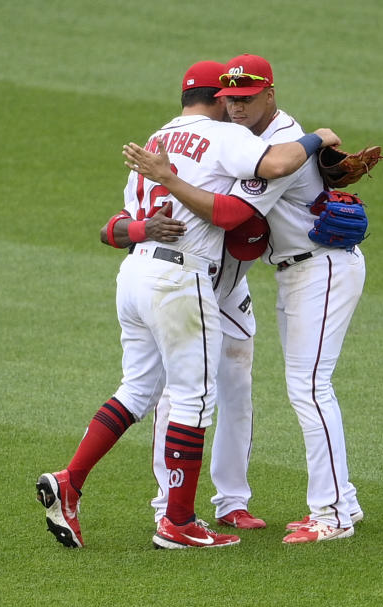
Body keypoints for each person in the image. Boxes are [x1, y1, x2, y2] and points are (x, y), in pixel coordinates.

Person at [36, 59, 340, 550]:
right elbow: (276, 167)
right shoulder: (224, 136)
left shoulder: (155, 140)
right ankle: (177, 523)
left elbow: (115, 224)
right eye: (231, 99)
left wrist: (142, 230)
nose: (237, 107)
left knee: (136, 391)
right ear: (219, 99)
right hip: (181, 278)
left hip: (134, 272)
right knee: (195, 399)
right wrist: (317, 138)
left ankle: (70, 480)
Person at [123, 54, 366, 544]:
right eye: (230, 98)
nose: (235, 107)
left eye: (247, 98)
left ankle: (336, 512)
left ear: (269, 94)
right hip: (275, 274)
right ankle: (193, 505)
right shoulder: (245, 140)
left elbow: (232, 212)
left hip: (319, 268)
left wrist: (319, 136)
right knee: (226, 383)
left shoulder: (279, 144)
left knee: (310, 387)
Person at [101, 204, 268, 531]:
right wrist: (144, 228)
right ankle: (168, 504)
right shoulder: (173, 172)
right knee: (176, 393)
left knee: (237, 387)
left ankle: (232, 501)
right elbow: (110, 230)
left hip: (228, 289)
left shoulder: (256, 165)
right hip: (180, 283)